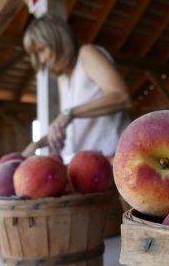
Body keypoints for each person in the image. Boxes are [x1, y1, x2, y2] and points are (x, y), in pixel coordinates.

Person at [22, 13, 131, 160]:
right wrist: (37, 144)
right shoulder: (63, 80)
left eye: (42, 50)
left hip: (111, 158)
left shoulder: (87, 54)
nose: (42, 59)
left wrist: (70, 113)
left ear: (57, 40)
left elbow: (122, 97)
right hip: (81, 163)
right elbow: (67, 124)